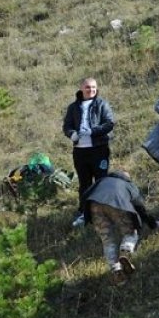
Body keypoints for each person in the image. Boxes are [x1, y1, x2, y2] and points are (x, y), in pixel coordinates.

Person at [83, 170, 159, 284]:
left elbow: (85, 193)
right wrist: (153, 224)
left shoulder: (102, 181)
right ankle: (125, 252)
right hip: (117, 203)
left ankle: (116, 270)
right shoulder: (128, 185)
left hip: (94, 205)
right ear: (126, 178)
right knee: (130, 233)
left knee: (107, 240)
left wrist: (85, 214)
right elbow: (140, 207)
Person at [62, 77, 114, 227]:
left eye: (93, 87)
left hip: (99, 149)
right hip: (80, 151)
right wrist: (72, 134)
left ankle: (104, 212)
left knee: (101, 181)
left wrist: (92, 131)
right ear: (81, 89)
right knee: (84, 183)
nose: (91, 90)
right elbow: (67, 126)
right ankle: (85, 213)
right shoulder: (73, 107)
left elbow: (109, 124)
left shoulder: (102, 104)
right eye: (87, 87)